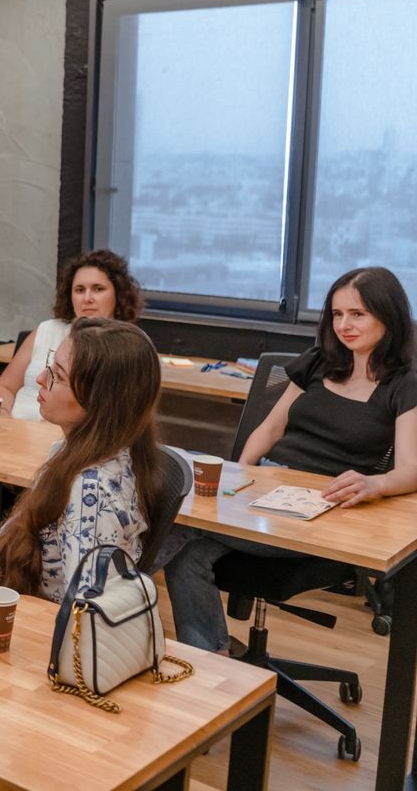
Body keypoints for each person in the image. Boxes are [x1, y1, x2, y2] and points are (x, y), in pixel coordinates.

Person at [165, 267, 417, 652]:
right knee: (186, 551)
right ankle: (212, 659)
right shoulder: (318, 361)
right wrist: (239, 472)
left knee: (172, 523)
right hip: (266, 491)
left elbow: (411, 469)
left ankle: (102, 596)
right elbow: (269, 429)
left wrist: (373, 483)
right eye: (337, 314)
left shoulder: (404, 384)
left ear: (388, 315)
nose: (344, 325)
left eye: (357, 314)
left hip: (322, 510)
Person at [0, 318, 163, 601]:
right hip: (3, 589)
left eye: (58, 375)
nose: (40, 378)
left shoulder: (91, 492)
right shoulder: (73, 451)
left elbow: (83, 613)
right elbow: (33, 543)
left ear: (99, 399)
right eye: (50, 365)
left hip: (17, 612)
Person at [0, 249, 144, 422]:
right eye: (79, 290)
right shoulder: (47, 329)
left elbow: (116, 417)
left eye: (98, 289)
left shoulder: (127, 346)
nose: (87, 298)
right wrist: (4, 418)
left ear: (118, 293)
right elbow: (4, 387)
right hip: (12, 429)